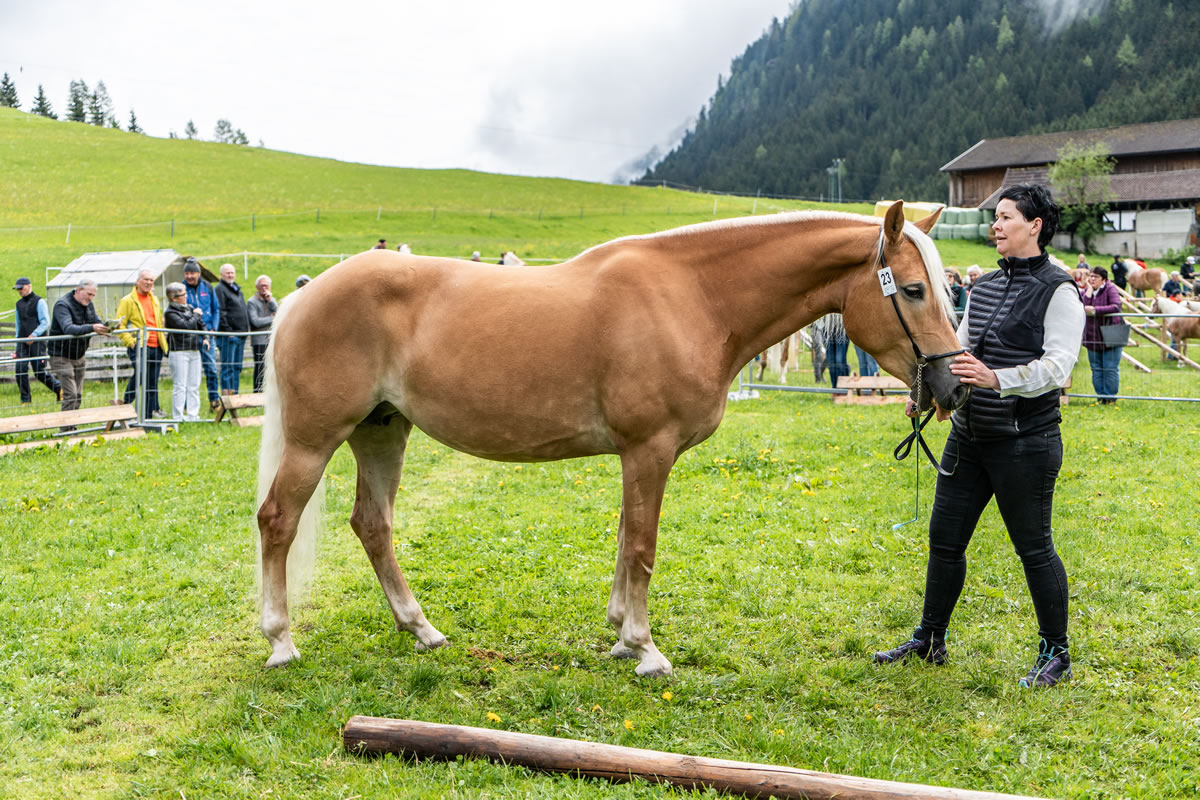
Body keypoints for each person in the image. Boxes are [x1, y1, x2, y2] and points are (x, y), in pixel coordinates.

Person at [873, 184, 1084, 689]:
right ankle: (930, 639)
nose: (995, 225)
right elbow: (956, 350)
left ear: (1034, 226)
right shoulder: (985, 285)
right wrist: (928, 395)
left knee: (1034, 548)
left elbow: (1058, 367)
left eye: (1006, 217)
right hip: (968, 436)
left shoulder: (1060, 290)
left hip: (1025, 442)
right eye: (995, 217)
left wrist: (997, 378)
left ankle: (1057, 653)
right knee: (944, 541)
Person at [46, 279, 109, 428]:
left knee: (78, 395)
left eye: (93, 295)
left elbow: (96, 321)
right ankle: (66, 430)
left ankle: (72, 425)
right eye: (88, 294)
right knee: (71, 394)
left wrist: (107, 326)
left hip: (79, 354)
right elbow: (69, 328)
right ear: (79, 290)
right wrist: (92, 328)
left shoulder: (88, 305)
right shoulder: (63, 305)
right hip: (61, 354)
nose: (91, 298)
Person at [116, 269, 168, 418]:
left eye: (151, 280)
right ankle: (125, 403)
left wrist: (162, 340)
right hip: (138, 345)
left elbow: (158, 321)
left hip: (156, 346)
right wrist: (130, 341)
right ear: (137, 281)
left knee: (152, 382)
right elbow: (120, 324)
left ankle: (148, 415)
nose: (148, 283)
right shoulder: (127, 300)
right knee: (140, 374)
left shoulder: (155, 300)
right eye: (145, 279)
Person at [12, 276, 61, 404]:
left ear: (29, 286)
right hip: (22, 342)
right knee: (20, 370)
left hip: (38, 341)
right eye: (18, 289)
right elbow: (18, 324)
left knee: (39, 371)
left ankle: (59, 388)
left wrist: (34, 335)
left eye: (21, 288)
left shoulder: (39, 302)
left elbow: (45, 322)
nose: (20, 291)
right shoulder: (18, 304)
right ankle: (25, 400)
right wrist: (18, 341)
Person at [1080, 265, 1124, 404]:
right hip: (1092, 335)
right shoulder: (1086, 292)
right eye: (1090, 276)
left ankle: (1110, 397)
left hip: (1111, 334)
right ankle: (1101, 397)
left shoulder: (1110, 289)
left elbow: (1116, 306)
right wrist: (1088, 292)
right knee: (1096, 368)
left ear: (1104, 279)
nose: (1092, 279)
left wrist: (1095, 310)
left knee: (1110, 368)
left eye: (1096, 277)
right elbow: (1081, 306)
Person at [182, 258, 221, 411]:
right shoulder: (181, 288)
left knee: (211, 368)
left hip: (207, 336)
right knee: (188, 371)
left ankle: (214, 401)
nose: (189, 276)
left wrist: (214, 329)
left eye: (192, 273)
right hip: (189, 336)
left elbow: (216, 309)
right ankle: (185, 404)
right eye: (186, 273)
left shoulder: (208, 287)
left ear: (198, 273)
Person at [163, 282, 205, 421]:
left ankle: (193, 415)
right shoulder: (170, 313)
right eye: (183, 295)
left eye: (186, 293)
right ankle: (178, 416)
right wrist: (196, 316)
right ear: (174, 298)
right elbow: (185, 326)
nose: (186, 297)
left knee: (194, 384)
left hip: (194, 349)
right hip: (179, 351)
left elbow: (200, 325)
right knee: (180, 385)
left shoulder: (190, 308)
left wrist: (205, 337)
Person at [214, 263, 250, 395]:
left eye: (232, 273)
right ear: (222, 275)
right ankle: (227, 396)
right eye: (227, 273)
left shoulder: (237, 290)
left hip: (240, 334)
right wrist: (228, 330)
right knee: (228, 366)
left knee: (237, 366)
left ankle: (235, 394)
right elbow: (221, 311)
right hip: (229, 335)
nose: (230, 275)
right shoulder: (220, 289)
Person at [247, 274, 277, 393]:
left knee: (269, 368)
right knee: (259, 367)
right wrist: (271, 318)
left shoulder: (271, 300)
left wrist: (270, 301)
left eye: (266, 286)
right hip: (259, 340)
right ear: (257, 287)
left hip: (270, 339)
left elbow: (279, 314)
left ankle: (268, 391)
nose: (264, 288)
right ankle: (257, 391)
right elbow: (255, 321)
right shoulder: (252, 302)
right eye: (262, 286)